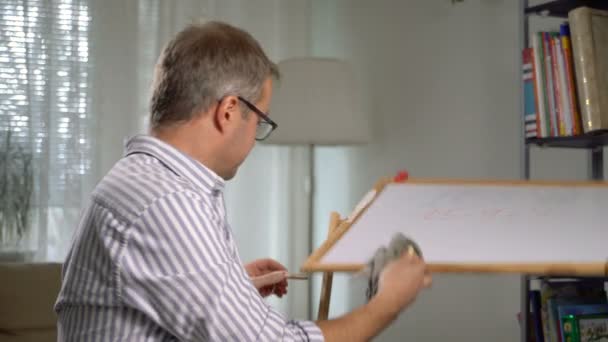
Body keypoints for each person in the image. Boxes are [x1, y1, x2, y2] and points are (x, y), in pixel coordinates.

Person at [54, 20, 432, 341]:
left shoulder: (145, 181)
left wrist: (228, 284)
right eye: (261, 121)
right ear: (230, 111)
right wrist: (390, 300)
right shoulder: (167, 201)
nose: (255, 137)